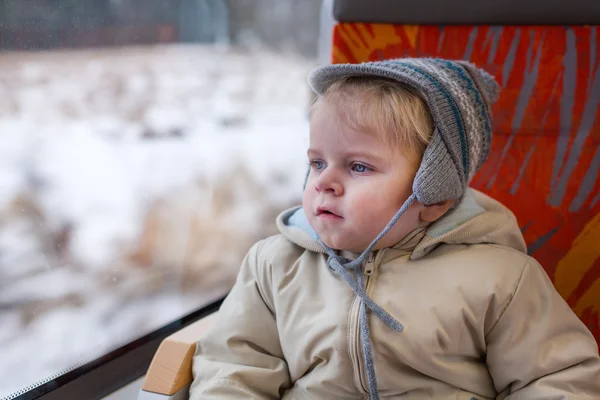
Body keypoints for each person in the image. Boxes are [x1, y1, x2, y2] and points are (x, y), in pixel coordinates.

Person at [189, 58, 600, 399]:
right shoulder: (274, 265)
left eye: (358, 166)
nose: (324, 182)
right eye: (317, 162)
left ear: (433, 193)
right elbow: (234, 365)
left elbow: (557, 381)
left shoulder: (502, 280)